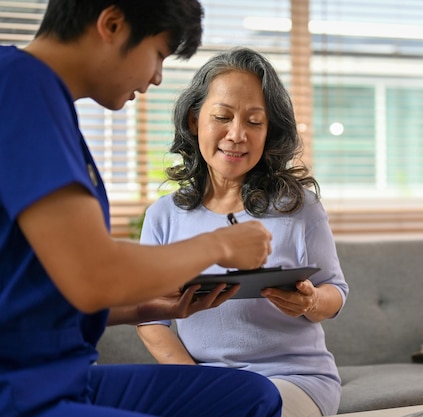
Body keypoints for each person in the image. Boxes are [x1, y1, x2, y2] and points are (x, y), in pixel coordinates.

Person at [0, 2, 282, 417]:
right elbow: (93, 273)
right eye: (159, 54)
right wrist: (220, 244)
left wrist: (150, 307)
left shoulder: (46, 102)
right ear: (112, 24)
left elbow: (48, 286)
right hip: (17, 388)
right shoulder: (19, 88)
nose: (156, 77)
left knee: (253, 397)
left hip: (60, 376)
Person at [136, 47, 349, 417]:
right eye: (222, 116)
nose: (236, 135)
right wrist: (195, 385)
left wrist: (312, 301)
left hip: (293, 379)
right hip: (203, 381)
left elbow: (336, 292)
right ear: (193, 120)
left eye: (254, 122)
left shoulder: (299, 208)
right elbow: (149, 318)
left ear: (269, 133)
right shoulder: (163, 217)